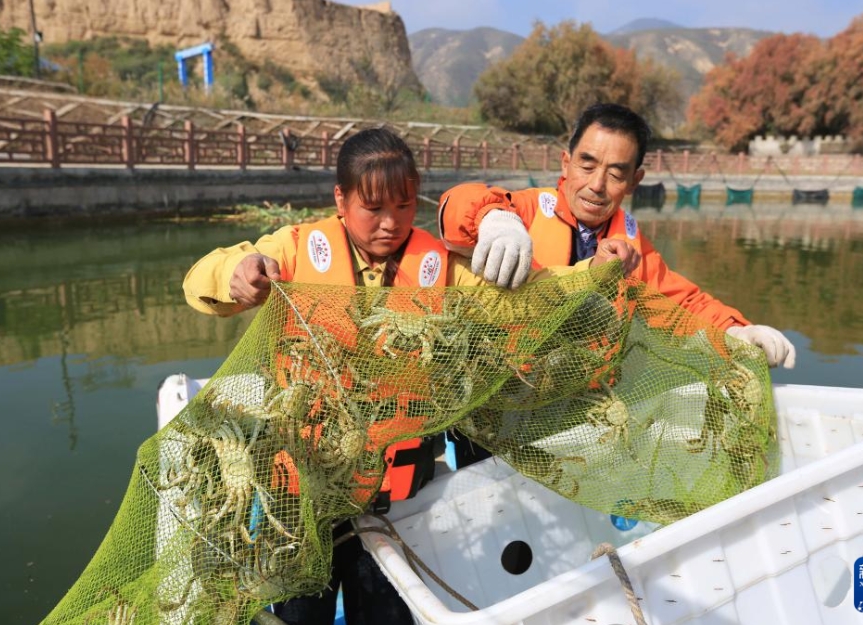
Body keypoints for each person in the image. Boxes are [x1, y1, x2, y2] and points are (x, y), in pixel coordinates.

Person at [183, 127, 636, 625]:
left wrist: (593, 270)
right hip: (304, 485)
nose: (389, 223)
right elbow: (205, 274)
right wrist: (237, 274)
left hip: (397, 490)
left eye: (402, 207)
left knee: (386, 610)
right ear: (341, 199)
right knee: (300, 612)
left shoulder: (438, 264)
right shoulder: (293, 249)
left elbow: (526, 292)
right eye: (372, 208)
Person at [438, 102, 796, 369]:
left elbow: (683, 305)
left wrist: (737, 332)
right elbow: (456, 204)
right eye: (587, 164)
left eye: (615, 173)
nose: (596, 185)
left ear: (634, 181)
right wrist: (494, 218)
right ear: (566, 163)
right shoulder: (526, 210)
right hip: (500, 382)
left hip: (573, 397)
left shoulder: (633, 245)